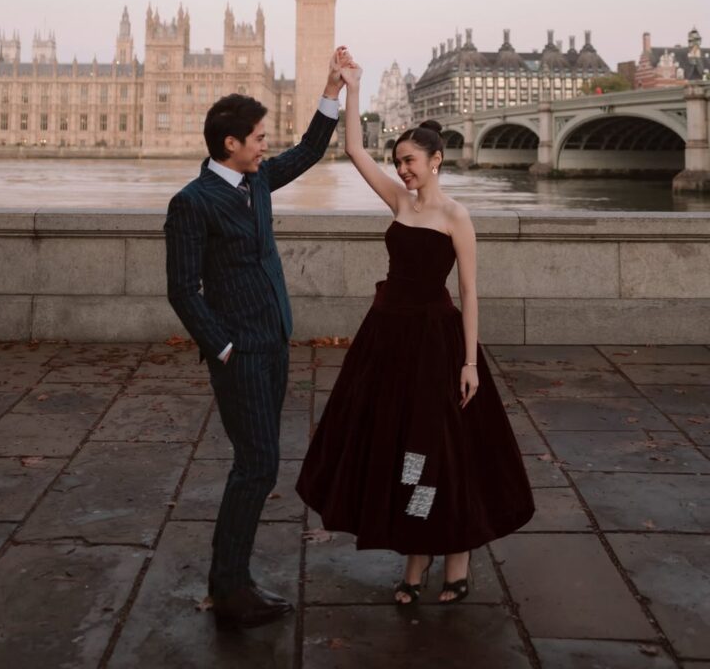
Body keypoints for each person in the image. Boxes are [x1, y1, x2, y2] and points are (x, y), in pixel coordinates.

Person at [296, 60, 535, 604]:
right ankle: (415, 558)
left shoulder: (457, 217)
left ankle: (454, 556)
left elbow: (471, 292)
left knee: (435, 451)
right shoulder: (399, 201)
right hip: (387, 340)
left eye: (409, 161)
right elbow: (355, 150)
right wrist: (352, 89)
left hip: (435, 344)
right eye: (398, 161)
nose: (402, 170)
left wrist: (470, 361)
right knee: (401, 447)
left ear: (435, 161)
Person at [164, 48, 349, 629]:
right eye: (260, 137)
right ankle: (228, 587)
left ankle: (233, 581)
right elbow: (182, 290)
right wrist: (223, 346)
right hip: (239, 353)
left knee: (259, 465)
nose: (267, 144)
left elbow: (312, 149)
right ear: (230, 145)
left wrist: (331, 87)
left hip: (273, 344)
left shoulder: (258, 179)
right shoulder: (192, 203)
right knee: (256, 466)